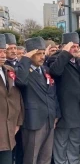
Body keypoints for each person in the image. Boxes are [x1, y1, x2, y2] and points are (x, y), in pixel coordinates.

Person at [47, 32, 80, 164]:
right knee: (61, 142)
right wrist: (65, 52)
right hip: (64, 111)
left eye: (77, 46)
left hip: (78, 110)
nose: (75, 49)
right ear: (63, 47)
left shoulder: (78, 61)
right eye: (72, 46)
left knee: (75, 141)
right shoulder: (56, 59)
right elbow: (55, 71)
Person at [15, 37, 61, 164]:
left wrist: (56, 114)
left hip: (49, 118)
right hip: (33, 120)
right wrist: (25, 59)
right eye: (38, 54)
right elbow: (21, 81)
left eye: (43, 53)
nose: (42, 57)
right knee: (31, 157)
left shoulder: (45, 70)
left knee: (46, 156)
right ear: (30, 55)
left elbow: (52, 93)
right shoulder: (23, 69)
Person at [0, 34, 24, 164]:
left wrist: (18, 122)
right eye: (0, 52)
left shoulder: (9, 70)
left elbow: (16, 97)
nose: (3, 55)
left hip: (8, 131)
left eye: (4, 51)